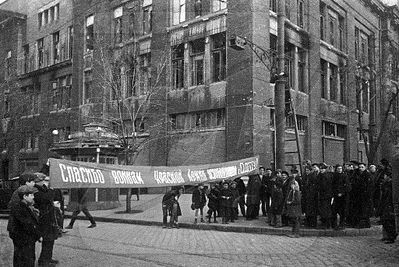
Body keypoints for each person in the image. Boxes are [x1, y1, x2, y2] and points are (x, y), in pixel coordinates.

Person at [8, 186, 42, 267]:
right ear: (25, 196)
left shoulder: (24, 205)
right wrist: (38, 236)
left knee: (22, 258)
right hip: (23, 238)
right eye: (31, 195)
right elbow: (28, 224)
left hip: (22, 237)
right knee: (26, 259)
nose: (33, 197)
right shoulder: (20, 207)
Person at [34, 174, 59, 266]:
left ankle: (48, 258)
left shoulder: (43, 188)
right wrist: (51, 189)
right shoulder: (36, 190)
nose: (47, 182)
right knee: (47, 239)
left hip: (48, 217)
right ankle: (43, 261)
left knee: (50, 239)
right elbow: (46, 198)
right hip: (43, 218)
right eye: (45, 180)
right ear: (39, 181)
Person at [377, 172, 397, 244]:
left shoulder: (390, 184)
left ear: (388, 177)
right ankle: (388, 236)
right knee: (385, 220)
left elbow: (388, 194)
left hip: (389, 204)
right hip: (385, 204)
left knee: (388, 221)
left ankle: (391, 236)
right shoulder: (386, 184)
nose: (384, 177)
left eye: (385, 176)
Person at [331, 164, 351, 229]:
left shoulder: (345, 176)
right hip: (335, 196)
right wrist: (335, 193)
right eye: (338, 169)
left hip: (343, 197)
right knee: (334, 210)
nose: (339, 170)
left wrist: (342, 193)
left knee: (342, 211)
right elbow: (332, 185)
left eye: (340, 168)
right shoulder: (334, 176)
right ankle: (334, 224)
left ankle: (342, 224)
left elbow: (347, 186)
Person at [317, 163, 333, 229]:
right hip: (322, 195)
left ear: (325, 169)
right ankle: (324, 223)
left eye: (322, 169)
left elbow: (325, 186)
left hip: (326, 195)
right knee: (323, 210)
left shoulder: (327, 176)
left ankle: (327, 224)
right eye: (320, 168)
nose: (321, 170)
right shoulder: (320, 175)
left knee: (326, 209)